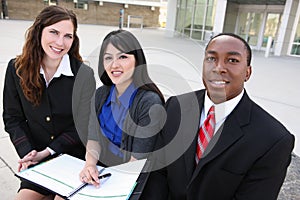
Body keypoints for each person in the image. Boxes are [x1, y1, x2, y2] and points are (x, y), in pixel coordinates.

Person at [141, 33, 295, 199]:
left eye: (233, 60)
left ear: (247, 73)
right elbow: (157, 173)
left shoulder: (273, 140)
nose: (218, 67)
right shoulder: (175, 107)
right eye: (211, 58)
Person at [2, 5, 95, 200]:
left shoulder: (83, 75)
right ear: (39, 31)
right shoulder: (16, 69)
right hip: (37, 161)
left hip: (73, 158)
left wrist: (49, 152)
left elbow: (83, 125)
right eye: (54, 32)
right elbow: (12, 118)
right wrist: (29, 153)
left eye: (68, 36)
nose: (60, 42)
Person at [79, 29, 165, 188]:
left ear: (137, 61)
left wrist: (106, 182)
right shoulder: (100, 95)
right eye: (108, 58)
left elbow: (136, 161)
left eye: (123, 57)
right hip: (104, 172)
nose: (114, 64)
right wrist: (90, 165)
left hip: (132, 178)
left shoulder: (149, 102)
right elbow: (93, 139)